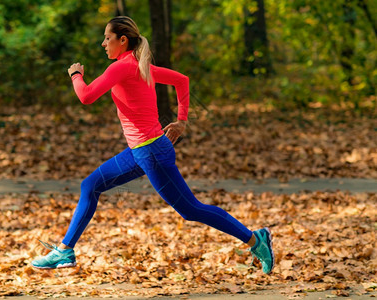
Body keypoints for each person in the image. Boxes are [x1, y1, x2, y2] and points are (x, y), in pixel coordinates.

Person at [31, 16, 274, 274]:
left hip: (152, 153)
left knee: (191, 209)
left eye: (107, 38)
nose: (103, 43)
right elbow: (182, 81)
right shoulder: (139, 66)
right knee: (90, 186)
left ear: (122, 40)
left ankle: (256, 239)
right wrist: (180, 121)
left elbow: (86, 96)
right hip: (141, 152)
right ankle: (65, 250)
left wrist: (76, 74)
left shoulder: (122, 68)